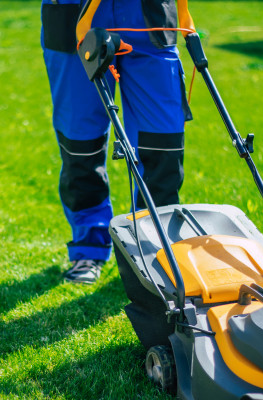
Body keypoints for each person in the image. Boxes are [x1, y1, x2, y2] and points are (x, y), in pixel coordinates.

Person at [41, 0, 192, 284]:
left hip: (149, 15)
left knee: (161, 143)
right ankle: (89, 248)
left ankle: (155, 250)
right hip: (74, 13)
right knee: (80, 143)